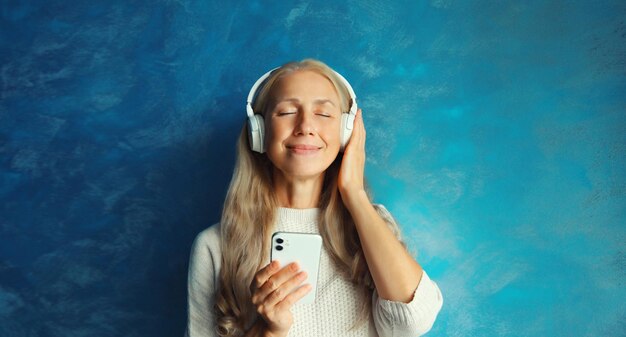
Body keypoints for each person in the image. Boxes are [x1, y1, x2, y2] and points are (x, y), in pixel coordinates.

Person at [186, 59, 443, 337]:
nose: (305, 126)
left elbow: (412, 323)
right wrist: (267, 331)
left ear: (346, 133)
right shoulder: (214, 246)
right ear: (258, 131)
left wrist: (354, 194)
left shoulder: (371, 224)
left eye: (323, 114)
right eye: (286, 112)